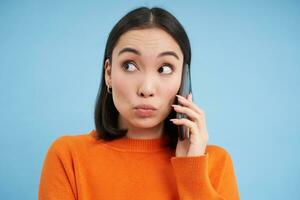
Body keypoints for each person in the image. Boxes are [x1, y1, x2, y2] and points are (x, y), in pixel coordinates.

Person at [38, 6, 240, 200]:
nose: (146, 89)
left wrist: (192, 172)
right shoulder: (68, 157)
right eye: (130, 65)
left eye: (165, 69)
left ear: (184, 80)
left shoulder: (215, 163)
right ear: (109, 73)